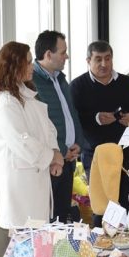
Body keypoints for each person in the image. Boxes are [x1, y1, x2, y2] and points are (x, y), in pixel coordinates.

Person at [0, 41, 64, 230]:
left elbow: (48, 128)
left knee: (36, 240)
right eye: (28, 62)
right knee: (24, 241)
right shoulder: (5, 102)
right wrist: (53, 156)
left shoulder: (25, 95)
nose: (32, 66)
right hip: (20, 184)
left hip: (34, 178)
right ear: (14, 66)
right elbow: (21, 141)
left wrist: (54, 153)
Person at [69, 40, 129, 221]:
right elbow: (72, 120)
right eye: (98, 60)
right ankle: (101, 245)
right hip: (94, 155)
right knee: (102, 204)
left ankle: (128, 244)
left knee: (126, 201)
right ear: (88, 61)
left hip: (124, 153)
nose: (104, 64)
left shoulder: (127, 83)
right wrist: (95, 118)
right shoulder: (77, 86)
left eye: (107, 59)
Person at [32, 31, 85, 223]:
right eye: (63, 52)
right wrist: (61, 151)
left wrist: (78, 142)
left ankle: (63, 253)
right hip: (51, 163)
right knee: (49, 220)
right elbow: (41, 125)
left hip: (68, 160)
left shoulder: (60, 79)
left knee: (63, 217)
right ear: (48, 55)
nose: (67, 56)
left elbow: (72, 113)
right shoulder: (32, 82)